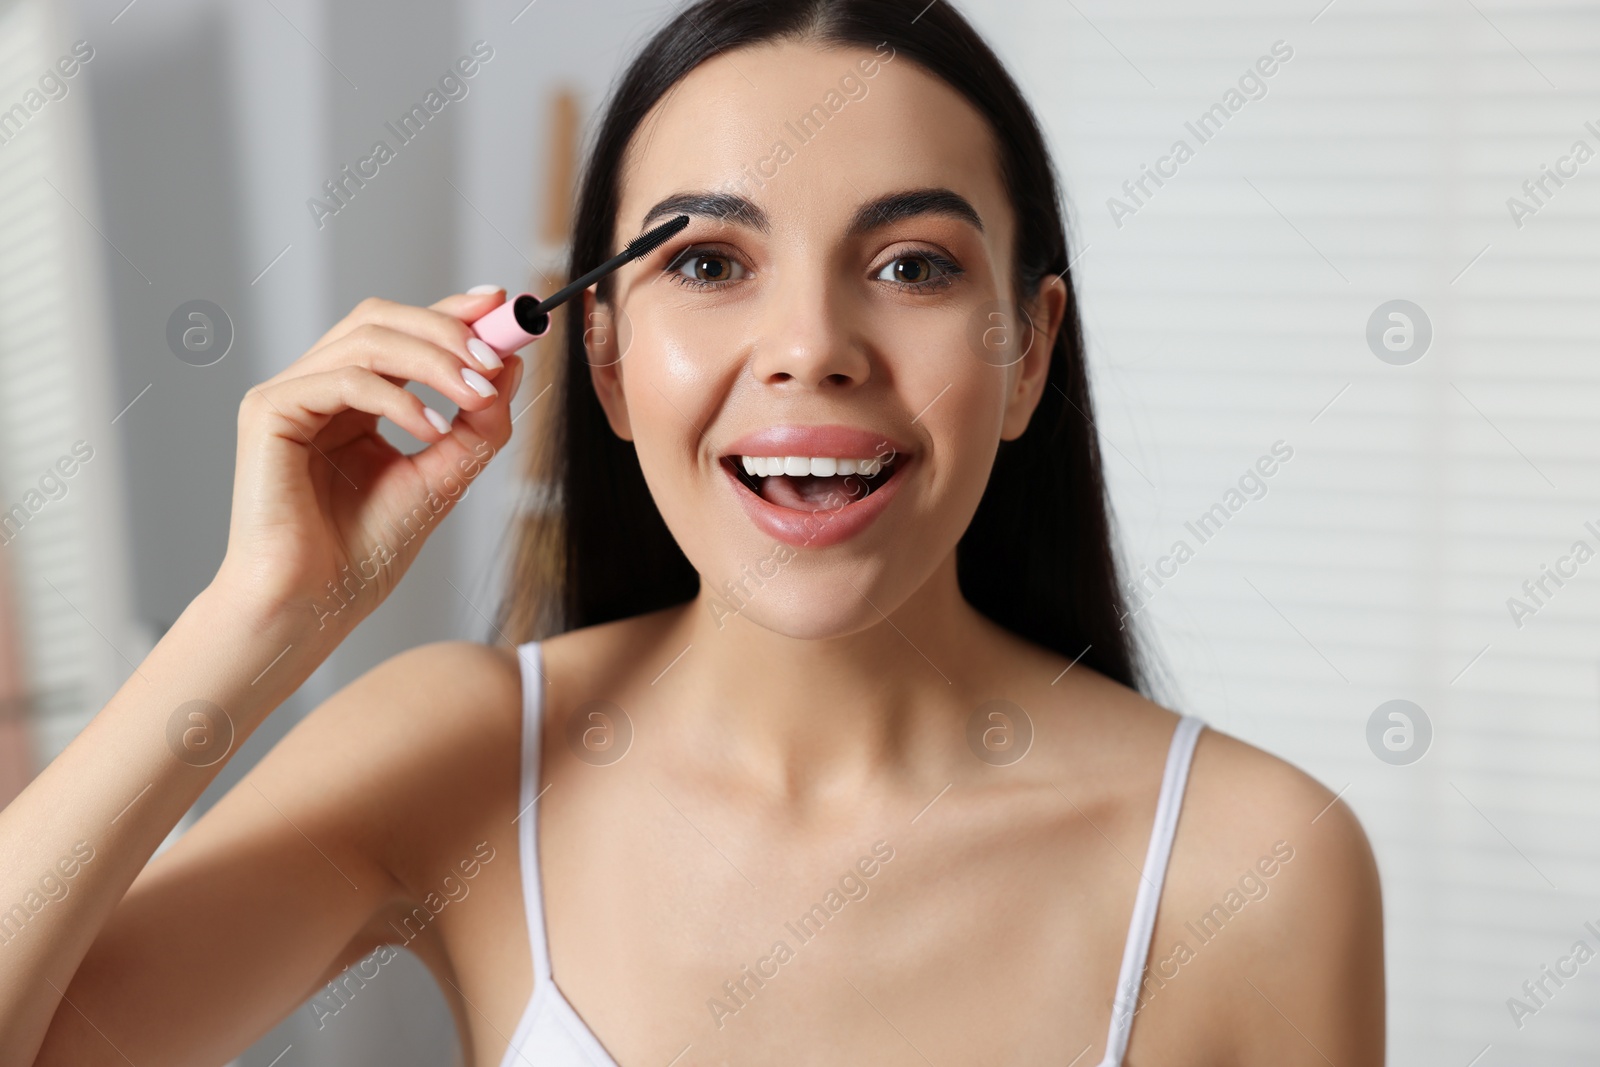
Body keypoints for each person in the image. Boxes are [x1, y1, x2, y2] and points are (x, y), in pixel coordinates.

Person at [1, 1, 1384, 1064]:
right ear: (600, 355)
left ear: (1028, 352)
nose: (812, 348)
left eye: (912, 265)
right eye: (709, 263)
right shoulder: (466, 754)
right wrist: (255, 618)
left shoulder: (1253, 861)